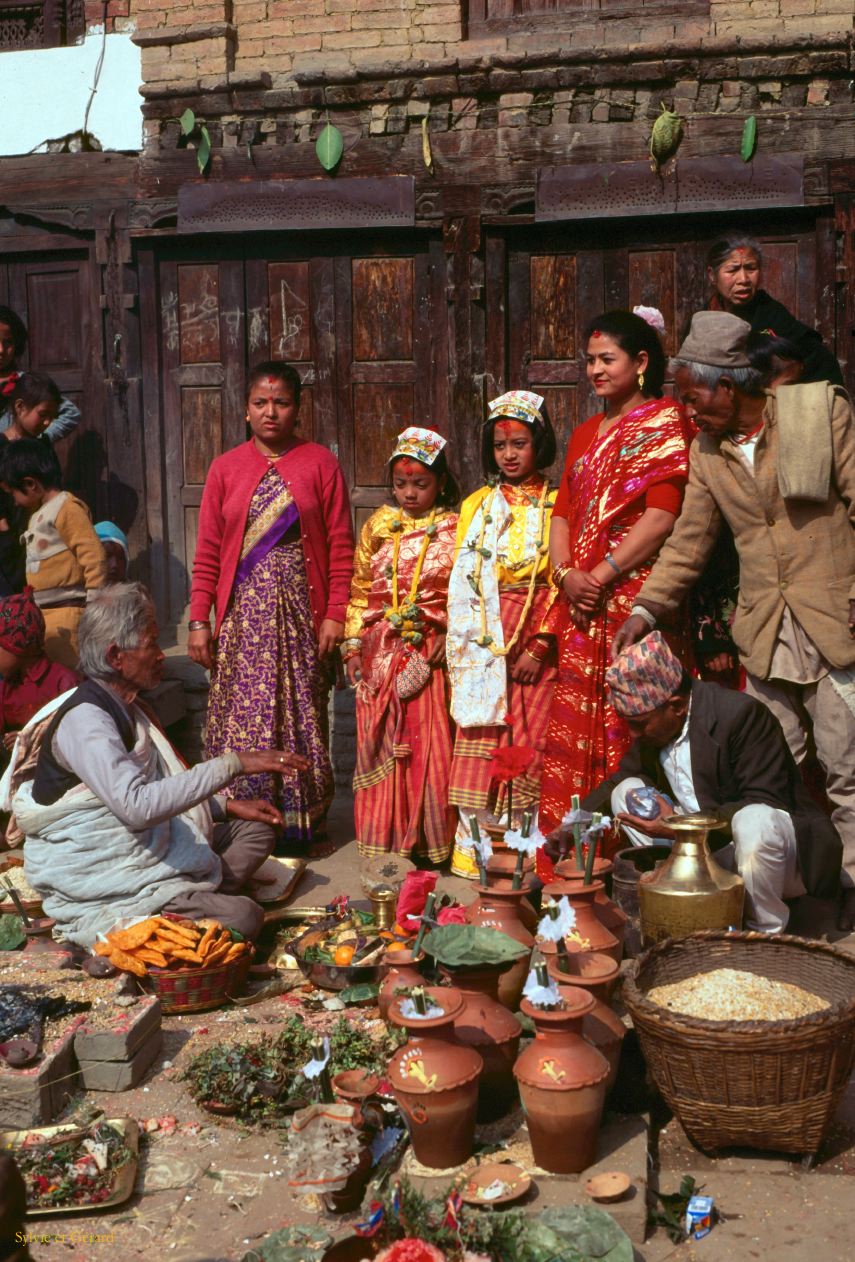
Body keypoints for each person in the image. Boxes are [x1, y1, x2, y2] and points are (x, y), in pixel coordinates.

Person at [613, 310, 855, 930]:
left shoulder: (815, 414)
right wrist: (645, 609)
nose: (687, 410)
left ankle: (852, 893)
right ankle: (768, 903)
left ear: (728, 384)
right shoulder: (708, 451)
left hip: (836, 623)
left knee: (847, 771)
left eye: (693, 396)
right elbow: (690, 540)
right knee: (766, 781)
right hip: (766, 632)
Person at [3, 583, 308, 947]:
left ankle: (190, 897)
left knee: (256, 831)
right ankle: (167, 907)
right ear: (116, 656)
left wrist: (223, 806)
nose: (162, 655)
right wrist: (232, 764)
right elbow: (137, 807)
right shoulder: (85, 722)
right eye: (151, 644)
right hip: (111, 874)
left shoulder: (128, 707)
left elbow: (152, 787)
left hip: (147, 846)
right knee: (246, 916)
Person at [538, 309, 694, 833]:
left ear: (641, 362)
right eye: (590, 361)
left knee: (636, 724)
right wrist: (565, 575)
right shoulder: (585, 433)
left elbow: (662, 517)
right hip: (581, 603)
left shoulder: (664, 422)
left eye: (607, 359)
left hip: (633, 599)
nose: (595, 370)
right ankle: (576, 854)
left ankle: (641, 853)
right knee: (576, 724)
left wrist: (598, 576)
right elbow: (562, 514)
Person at [573, 633, 842, 934]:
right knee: (627, 792)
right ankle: (685, 902)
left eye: (638, 724)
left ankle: (762, 933)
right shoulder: (658, 727)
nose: (633, 735)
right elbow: (619, 780)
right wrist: (575, 824)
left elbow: (765, 799)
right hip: (701, 853)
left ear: (676, 705)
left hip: (771, 858)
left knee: (755, 820)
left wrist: (682, 827)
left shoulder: (741, 715)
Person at [189, 361, 354, 849]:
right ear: (246, 410)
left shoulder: (319, 463)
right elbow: (208, 551)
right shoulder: (225, 468)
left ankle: (300, 821)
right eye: (260, 403)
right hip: (241, 618)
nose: (270, 412)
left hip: (300, 614)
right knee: (243, 711)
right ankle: (241, 817)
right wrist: (199, 620)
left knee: (300, 708)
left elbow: (341, 546)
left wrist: (336, 613)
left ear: (297, 409)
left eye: (281, 403)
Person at [445, 390, 558, 873]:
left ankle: (525, 846)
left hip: (537, 630)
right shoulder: (477, 505)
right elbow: (463, 579)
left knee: (532, 734)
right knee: (483, 733)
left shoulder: (557, 503)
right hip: (485, 634)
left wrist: (541, 643)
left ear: (540, 444)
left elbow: (562, 576)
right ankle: (478, 847)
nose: (508, 455)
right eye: (499, 445)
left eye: (519, 444)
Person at [343, 427, 459, 863]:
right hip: (380, 650)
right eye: (400, 484)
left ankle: (428, 842)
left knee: (429, 741)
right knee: (382, 739)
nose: (409, 493)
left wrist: (447, 636)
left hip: (430, 650)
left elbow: (465, 591)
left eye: (420, 484)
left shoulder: (456, 526)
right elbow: (360, 588)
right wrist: (353, 648)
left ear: (441, 483)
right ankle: (384, 839)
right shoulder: (378, 525)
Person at [1, 439, 105, 668]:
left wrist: (95, 602)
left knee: (71, 675)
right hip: (45, 617)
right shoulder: (40, 514)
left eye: (14, 493)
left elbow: (92, 554)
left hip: (68, 613)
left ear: (30, 484)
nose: (14, 503)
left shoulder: (66, 508)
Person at [706, 235, 842, 385]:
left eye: (751, 268)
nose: (743, 279)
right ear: (712, 275)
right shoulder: (702, 319)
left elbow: (818, 360)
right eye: (733, 270)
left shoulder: (773, 315)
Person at [0, 588, 78, 755]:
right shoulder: (6, 687)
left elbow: (75, 732)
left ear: (18, 645)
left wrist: (33, 738)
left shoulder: (63, 682)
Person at [0, 306, 81, 443]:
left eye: (8, 342)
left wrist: (41, 439)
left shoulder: (24, 383)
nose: (1, 350)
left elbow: (71, 412)